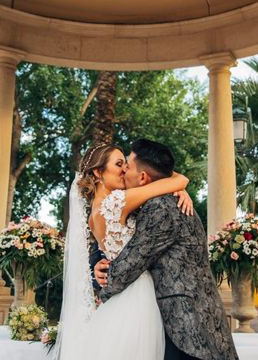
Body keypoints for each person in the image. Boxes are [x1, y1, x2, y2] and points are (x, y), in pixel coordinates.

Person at [96, 139, 239, 360]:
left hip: (189, 330)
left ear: (143, 178)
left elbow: (131, 263)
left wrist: (101, 294)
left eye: (128, 166)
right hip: (193, 324)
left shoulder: (160, 207)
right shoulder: (166, 200)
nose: (124, 170)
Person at [50, 142, 194, 360]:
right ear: (98, 172)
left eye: (126, 164)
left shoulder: (94, 213)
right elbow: (179, 179)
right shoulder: (117, 202)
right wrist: (179, 188)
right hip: (138, 294)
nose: (125, 169)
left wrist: (176, 187)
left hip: (120, 296)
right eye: (119, 164)